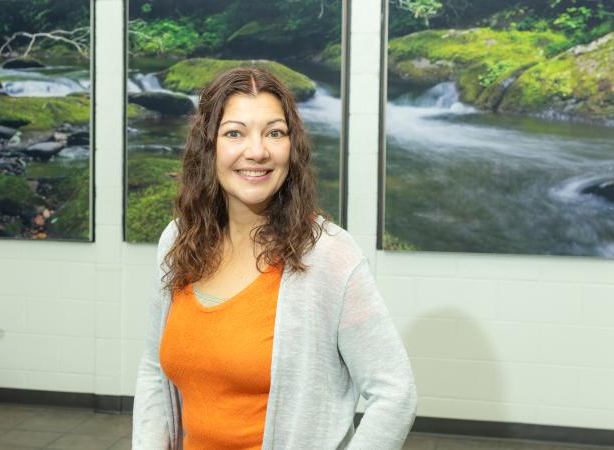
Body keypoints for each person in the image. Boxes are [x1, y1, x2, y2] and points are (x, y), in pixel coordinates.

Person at [132, 67, 417, 450]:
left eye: (274, 132)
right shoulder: (178, 239)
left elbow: (395, 393)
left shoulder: (328, 254)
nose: (257, 151)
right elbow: (153, 370)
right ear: (208, 145)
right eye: (235, 132)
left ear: (291, 145)